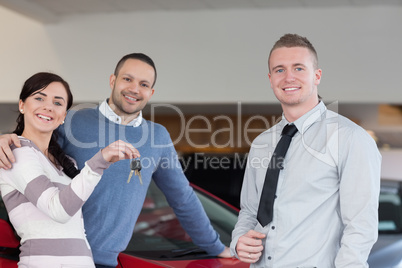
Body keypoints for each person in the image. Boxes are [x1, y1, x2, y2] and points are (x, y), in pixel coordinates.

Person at [0, 53, 230, 267]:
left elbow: (183, 198)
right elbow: (29, 152)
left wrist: (216, 247)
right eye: (127, 79)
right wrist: (7, 139)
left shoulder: (158, 137)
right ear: (113, 80)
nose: (134, 89)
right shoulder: (71, 120)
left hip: (106, 261)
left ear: (151, 92)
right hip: (53, 256)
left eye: (144, 84)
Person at [230, 34, 381, 267]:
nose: (288, 77)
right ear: (270, 79)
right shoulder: (261, 144)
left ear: (317, 75)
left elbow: (360, 226)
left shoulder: (350, 139)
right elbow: (249, 211)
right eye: (279, 70)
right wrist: (238, 240)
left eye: (298, 68)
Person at [0, 72, 139, 267]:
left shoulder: (66, 163)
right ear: (22, 105)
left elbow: (76, 231)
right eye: (39, 98)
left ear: (64, 116)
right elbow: (58, 210)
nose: (48, 106)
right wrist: (100, 161)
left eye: (58, 103)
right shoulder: (16, 153)